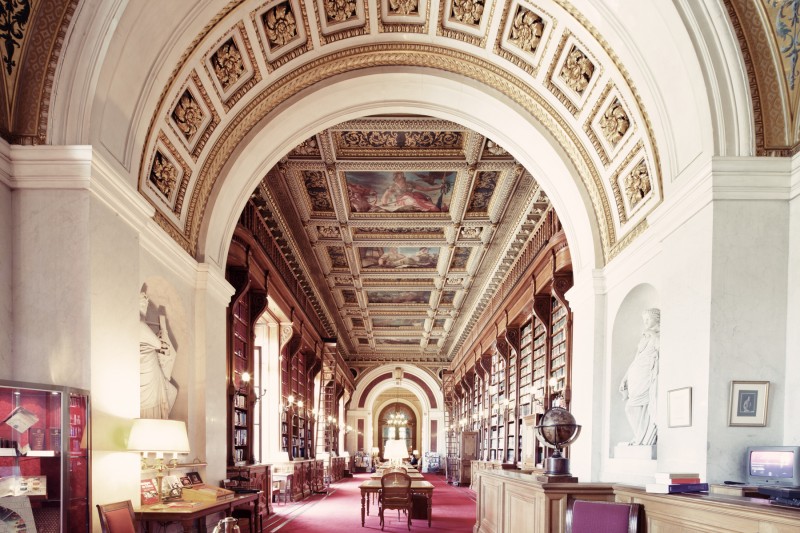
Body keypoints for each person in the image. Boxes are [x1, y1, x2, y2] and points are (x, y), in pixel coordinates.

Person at [619, 308, 660, 446]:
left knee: (640, 406)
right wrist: (625, 377)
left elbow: (661, 347)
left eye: (648, 319)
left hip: (647, 374)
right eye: (644, 320)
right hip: (636, 374)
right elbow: (636, 358)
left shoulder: (658, 334)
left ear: (657, 318)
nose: (645, 322)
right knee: (630, 407)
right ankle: (640, 436)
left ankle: (645, 438)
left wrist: (653, 334)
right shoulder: (645, 336)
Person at [139, 290, 178, 419]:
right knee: (164, 396)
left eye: (146, 302)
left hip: (150, 368)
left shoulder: (142, 325)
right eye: (142, 302)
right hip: (147, 370)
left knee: (171, 392)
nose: (145, 304)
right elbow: (157, 344)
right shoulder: (139, 324)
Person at [378, 172, 448, 212]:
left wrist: (439, 187)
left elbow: (424, 188)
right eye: (399, 177)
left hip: (415, 197)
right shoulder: (393, 186)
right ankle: (425, 210)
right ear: (396, 179)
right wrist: (384, 203)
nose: (402, 177)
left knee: (432, 206)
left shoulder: (409, 183)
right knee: (412, 201)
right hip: (403, 199)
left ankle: (431, 209)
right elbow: (385, 196)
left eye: (402, 176)